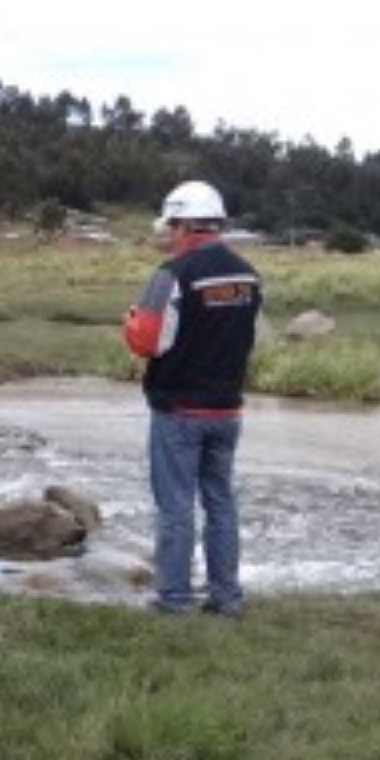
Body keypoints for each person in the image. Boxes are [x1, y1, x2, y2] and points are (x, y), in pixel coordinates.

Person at [123, 180, 263, 617]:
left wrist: (129, 321)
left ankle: (175, 599)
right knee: (221, 502)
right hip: (227, 410)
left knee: (176, 508)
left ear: (184, 224)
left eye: (172, 225)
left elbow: (145, 341)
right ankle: (226, 596)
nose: (169, 234)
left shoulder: (173, 275)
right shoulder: (247, 274)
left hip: (179, 409)